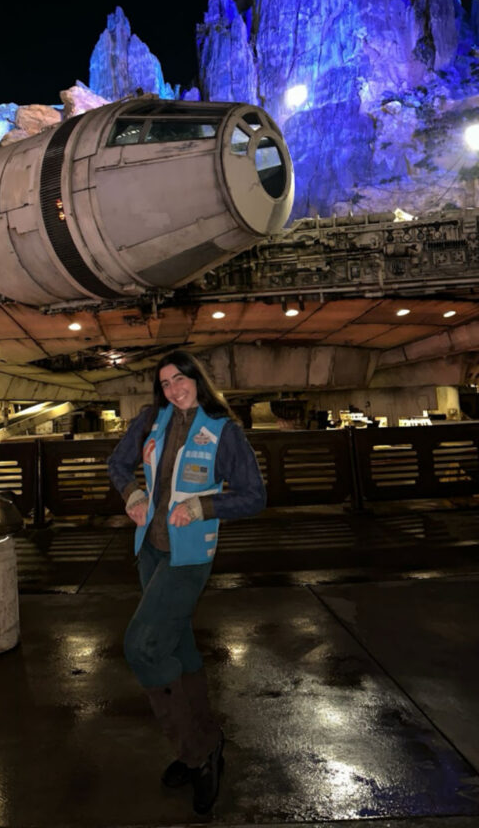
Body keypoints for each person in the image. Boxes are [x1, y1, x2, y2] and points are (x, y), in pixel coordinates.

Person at [107, 349, 266, 816]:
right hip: (150, 552)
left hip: (189, 555)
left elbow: (255, 496)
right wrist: (133, 493)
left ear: (197, 379)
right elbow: (117, 464)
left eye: (181, 379)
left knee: (143, 648)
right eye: (166, 383)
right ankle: (206, 744)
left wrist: (203, 507)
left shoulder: (223, 430)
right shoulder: (151, 418)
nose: (174, 388)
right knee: (179, 649)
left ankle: (197, 754)